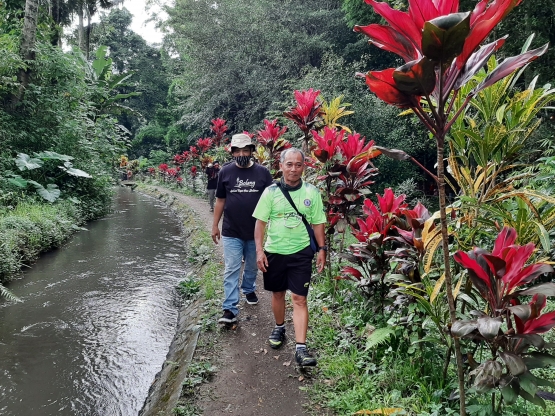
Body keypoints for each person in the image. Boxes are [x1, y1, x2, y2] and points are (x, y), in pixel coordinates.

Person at [253, 148, 327, 367]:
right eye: (289, 164)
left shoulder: (311, 193)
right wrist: (259, 251)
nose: (294, 169)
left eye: (298, 165)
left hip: (301, 252)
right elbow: (260, 223)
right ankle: (279, 327)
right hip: (274, 251)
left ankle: (301, 348)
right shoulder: (270, 192)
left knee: (299, 298)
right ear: (281, 166)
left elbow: (318, 223)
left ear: (304, 167)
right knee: (277, 294)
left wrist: (321, 249)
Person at [212, 133, 274, 324]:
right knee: (231, 268)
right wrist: (215, 225)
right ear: (232, 152)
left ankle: (248, 289)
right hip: (232, 230)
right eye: (237, 150)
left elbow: (272, 199)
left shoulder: (262, 173)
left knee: (252, 266)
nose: (241, 153)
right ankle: (229, 309)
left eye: (245, 149)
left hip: (255, 231)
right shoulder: (225, 172)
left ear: (251, 151)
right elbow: (220, 200)